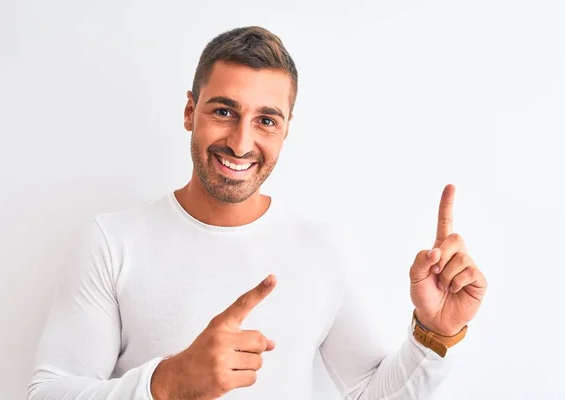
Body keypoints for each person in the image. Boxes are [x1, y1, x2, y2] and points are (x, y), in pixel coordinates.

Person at [27, 26, 487, 400]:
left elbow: (371, 394)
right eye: (224, 111)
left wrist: (434, 334)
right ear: (190, 111)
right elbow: (46, 393)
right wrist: (164, 384)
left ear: (286, 131)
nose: (242, 143)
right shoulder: (111, 241)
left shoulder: (322, 249)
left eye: (266, 120)